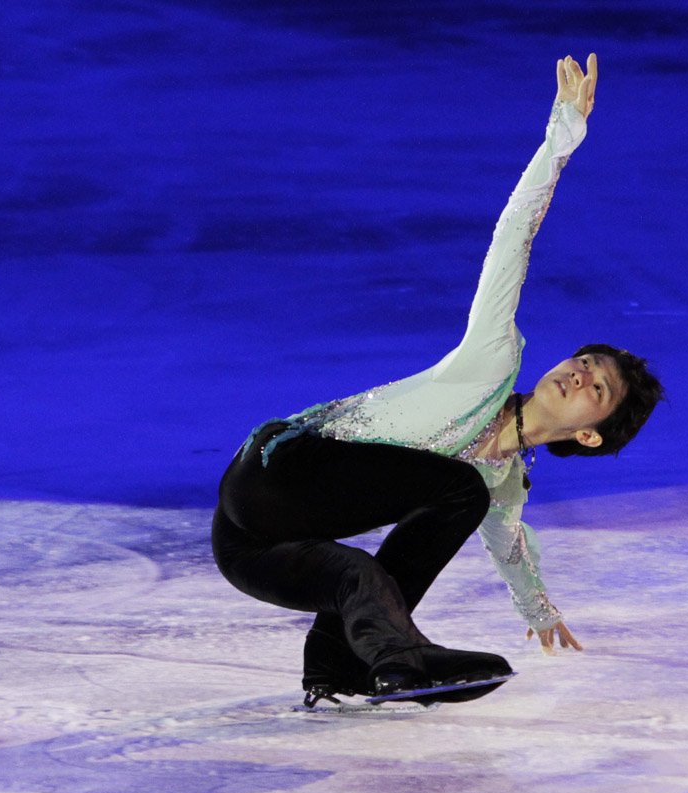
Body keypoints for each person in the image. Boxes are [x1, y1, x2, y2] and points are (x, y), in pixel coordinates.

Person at [211, 53, 663, 706]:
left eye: (599, 388)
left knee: (358, 573)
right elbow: (513, 238)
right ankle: (407, 655)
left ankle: (346, 671)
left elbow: (512, 550)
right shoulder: (490, 360)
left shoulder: (502, 482)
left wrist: (538, 612)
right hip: (277, 470)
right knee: (459, 487)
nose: (580, 373)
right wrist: (559, 140)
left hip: (248, 545)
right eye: (584, 362)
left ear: (591, 435)